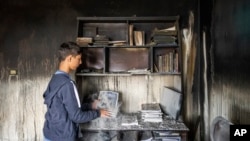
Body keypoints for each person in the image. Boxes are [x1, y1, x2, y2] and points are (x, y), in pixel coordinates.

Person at [43, 41, 111, 141]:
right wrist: (98, 113)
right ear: (70, 58)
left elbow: (68, 109)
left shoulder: (55, 79)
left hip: (49, 133)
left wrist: (90, 106)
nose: (80, 62)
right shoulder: (68, 84)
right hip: (62, 137)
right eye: (78, 59)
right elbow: (77, 117)